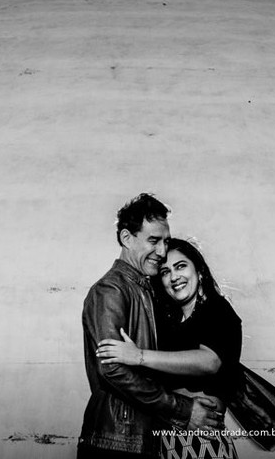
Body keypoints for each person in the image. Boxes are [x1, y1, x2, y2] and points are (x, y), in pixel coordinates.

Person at [79, 194, 223, 459]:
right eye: (153, 241)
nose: (161, 251)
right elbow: (113, 369)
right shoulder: (110, 290)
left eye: (165, 241)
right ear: (126, 238)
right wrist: (183, 409)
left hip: (142, 440)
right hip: (117, 442)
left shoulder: (147, 290)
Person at [97, 237, 243, 459]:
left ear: (200, 271)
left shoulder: (218, 310)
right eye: (165, 271)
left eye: (181, 266)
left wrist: (139, 356)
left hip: (202, 441)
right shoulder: (166, 324)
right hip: (165, 440)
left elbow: (209, 361)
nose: (174, 277)